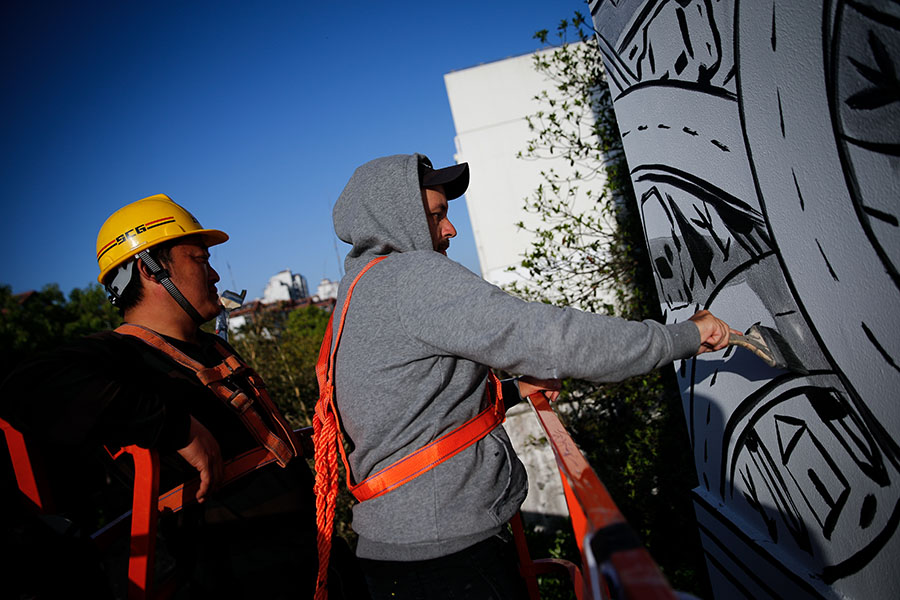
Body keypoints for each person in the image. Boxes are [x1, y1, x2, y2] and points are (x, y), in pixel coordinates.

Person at [313, 153, 733, 600]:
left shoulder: (357, 292)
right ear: (398, 218)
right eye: (437, 216)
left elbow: (409, 401)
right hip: (449, 556)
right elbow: (555, 339)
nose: (451, 230)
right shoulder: (414, 277)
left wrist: (512, 390)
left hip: (399, 550)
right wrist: (683, 338)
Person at [0, 194, 366, 599]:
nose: (214, 276)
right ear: (150, 269)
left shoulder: (212, 350)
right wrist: (173, 427)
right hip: (243, 577)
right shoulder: (119, 355)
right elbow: (25, 386)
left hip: (318, 560)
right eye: (199, 259)